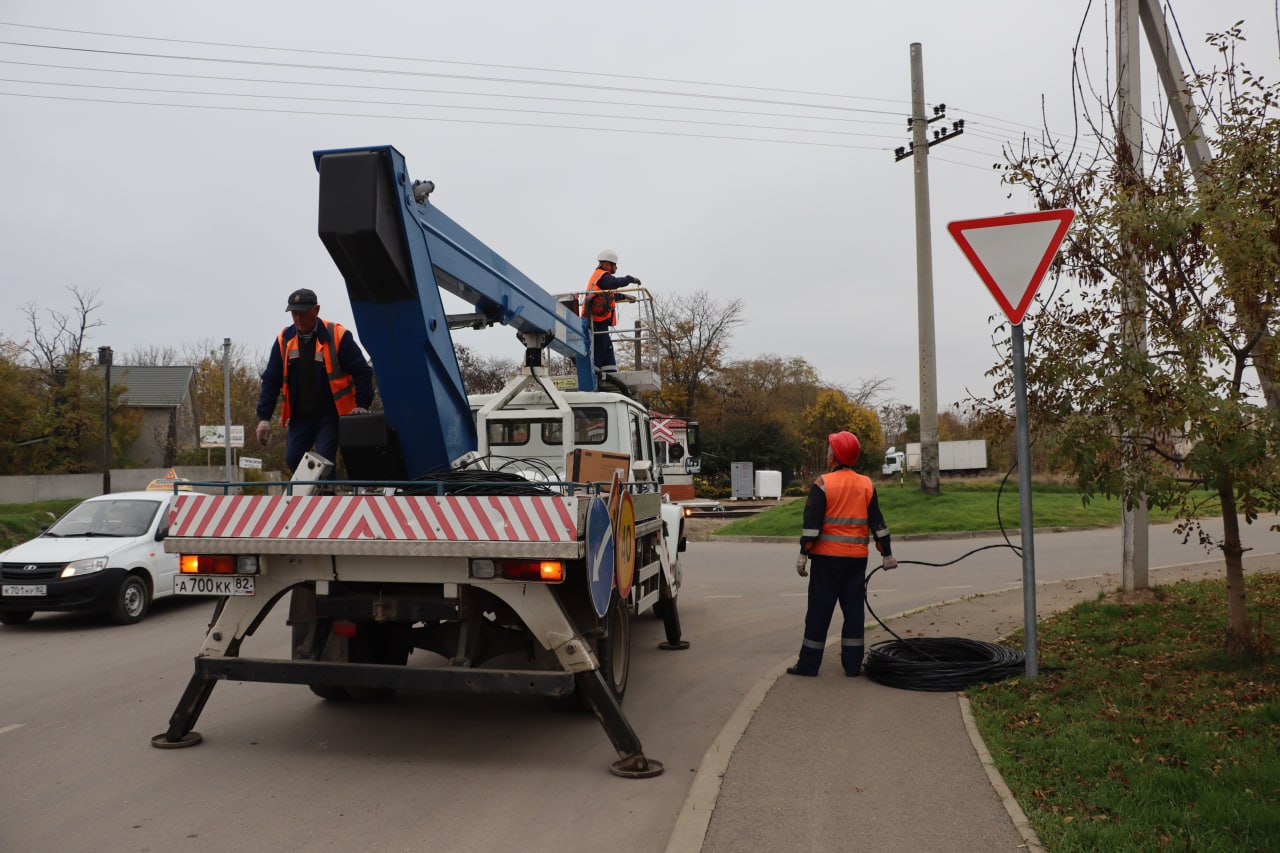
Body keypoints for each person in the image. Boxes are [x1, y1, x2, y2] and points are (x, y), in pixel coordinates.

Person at [788, 431, 898, 677]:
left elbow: (811, 524)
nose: (827, 452)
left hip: (827, 560)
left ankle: (808, 665)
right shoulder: (866, 484)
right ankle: (852, 666)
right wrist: (887, 553)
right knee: (854, 612)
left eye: (829, 449)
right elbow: (878, 523)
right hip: (857, 560)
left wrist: (803, 553)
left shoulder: (823, 484)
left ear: (834, 457)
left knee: (819, 611)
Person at [255, 288, 374, 473]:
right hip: (300, 416)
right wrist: (264, 418)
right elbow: (271, 380)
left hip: (331, 414)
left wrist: (362, 404)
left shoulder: (338, 335)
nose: (298, 319)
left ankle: (327, 498)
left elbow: (362, 371)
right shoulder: (284, 340)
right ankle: (319, 496)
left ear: (316, 310)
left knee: (324, 457)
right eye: (294, 313)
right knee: (293, 458)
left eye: (302, 313)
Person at [581, 249, 641, 372]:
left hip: (598, 320)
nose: (616, 268)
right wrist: (630, 279)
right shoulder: (602, 276)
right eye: (615, 265)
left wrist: (625, 296)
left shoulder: (602, 280)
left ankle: (610, 371)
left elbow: (608, 296)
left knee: (607, 347)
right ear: (607, 265)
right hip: (596, 321)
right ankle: (593, 372)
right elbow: (614, 283)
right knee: (600, 347)